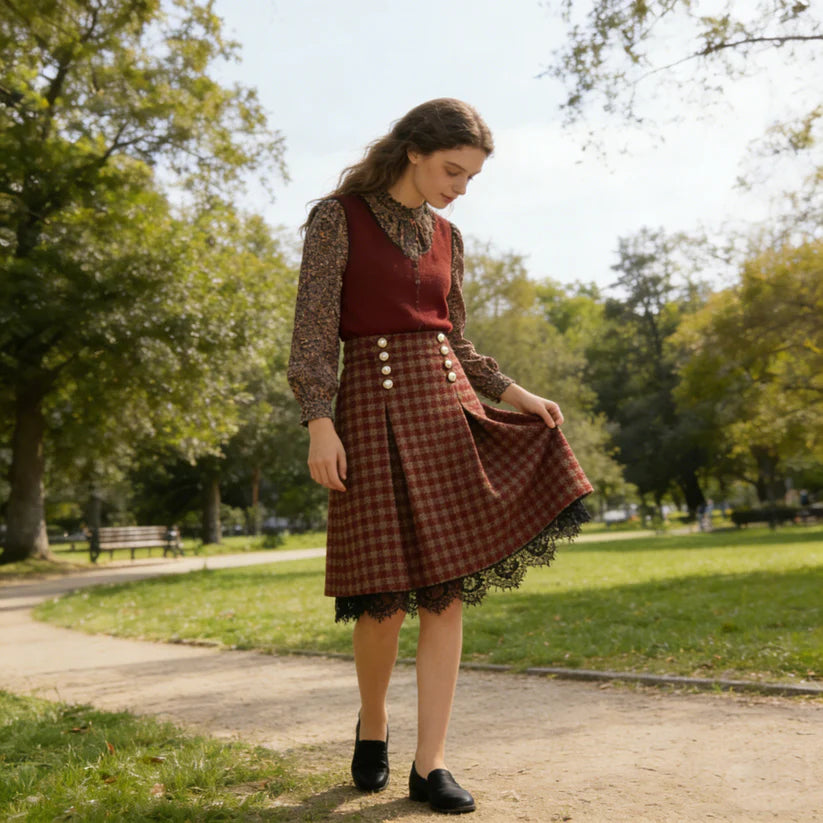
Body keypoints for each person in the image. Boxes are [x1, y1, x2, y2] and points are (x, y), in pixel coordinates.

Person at [288, 98, 592, 814]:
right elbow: (311, 333)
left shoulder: (449, 237)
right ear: (413, 152)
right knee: (381, 602)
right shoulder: (338, 218)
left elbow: (455, 340)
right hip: (366, 411)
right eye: (452, 170)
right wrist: (317, 422)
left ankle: (431, 764)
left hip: (444, 410)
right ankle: (373, 723)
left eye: (471, 176)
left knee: (445, 595)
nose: (460, 186)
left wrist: (516, 393)